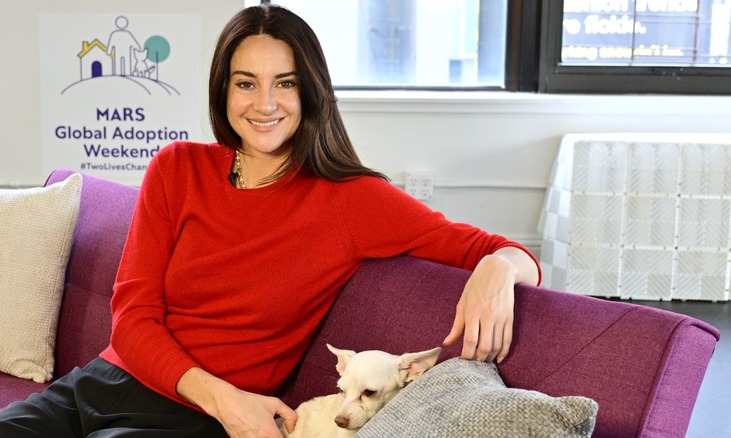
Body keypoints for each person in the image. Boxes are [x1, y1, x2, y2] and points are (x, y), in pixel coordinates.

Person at [0, 4, 540, 437]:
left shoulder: (353, 199)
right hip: (102, 384)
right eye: (245, 83)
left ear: (310, 91)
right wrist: (226, 399)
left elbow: (501, 249)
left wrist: (497, 267)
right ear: (223, 89)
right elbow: (133, 318)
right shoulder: (177, 169)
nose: (265, 103)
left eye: (284, 82)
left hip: (198, 422)